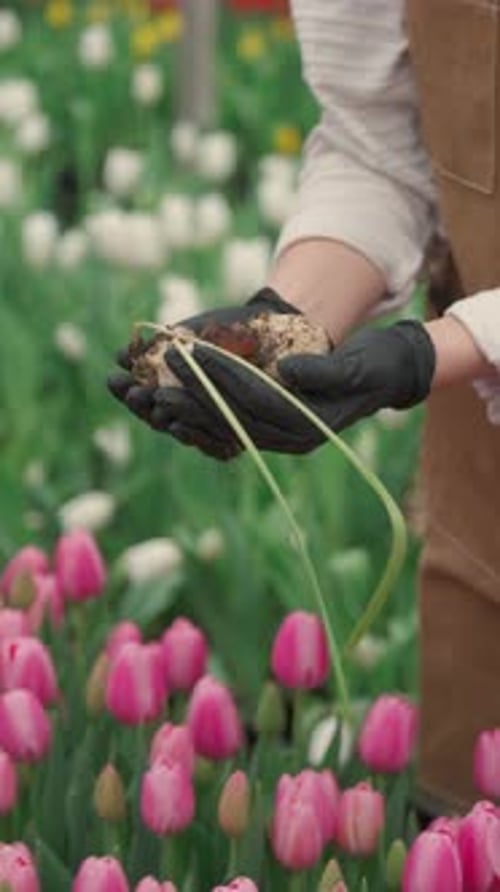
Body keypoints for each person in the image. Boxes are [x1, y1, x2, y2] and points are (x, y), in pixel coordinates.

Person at [109, 0, 500, 815]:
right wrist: (282, 328)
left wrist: (432, 351)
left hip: (461, 365)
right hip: (485, 486)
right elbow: (381, 148)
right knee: (465, 817)